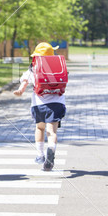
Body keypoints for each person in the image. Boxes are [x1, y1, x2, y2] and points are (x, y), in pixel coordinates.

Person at [13, 42, 66, 171]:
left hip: (39, 105)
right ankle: (51, 149)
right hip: (57, 104)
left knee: (40, 128)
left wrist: (20, 91)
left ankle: (40, 155)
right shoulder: (58, 67)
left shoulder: (33, 69)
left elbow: (24, 82)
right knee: (52, 132)